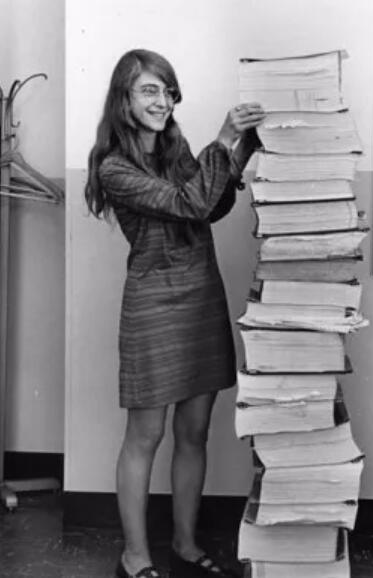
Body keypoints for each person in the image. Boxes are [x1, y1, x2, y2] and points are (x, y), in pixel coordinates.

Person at [84, 49, 265, 578]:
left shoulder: (176, 148)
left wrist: (244, 145)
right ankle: (134, 556)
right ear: (123, 98)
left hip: (200, 296)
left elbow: (212, 204)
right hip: (153, 304)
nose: (162, 101)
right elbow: (189, 202)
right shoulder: (114, 167)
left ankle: (185, 544)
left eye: (167, 91)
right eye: (149, 90)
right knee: (145, 436)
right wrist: (225, 139)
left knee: (194, 432)